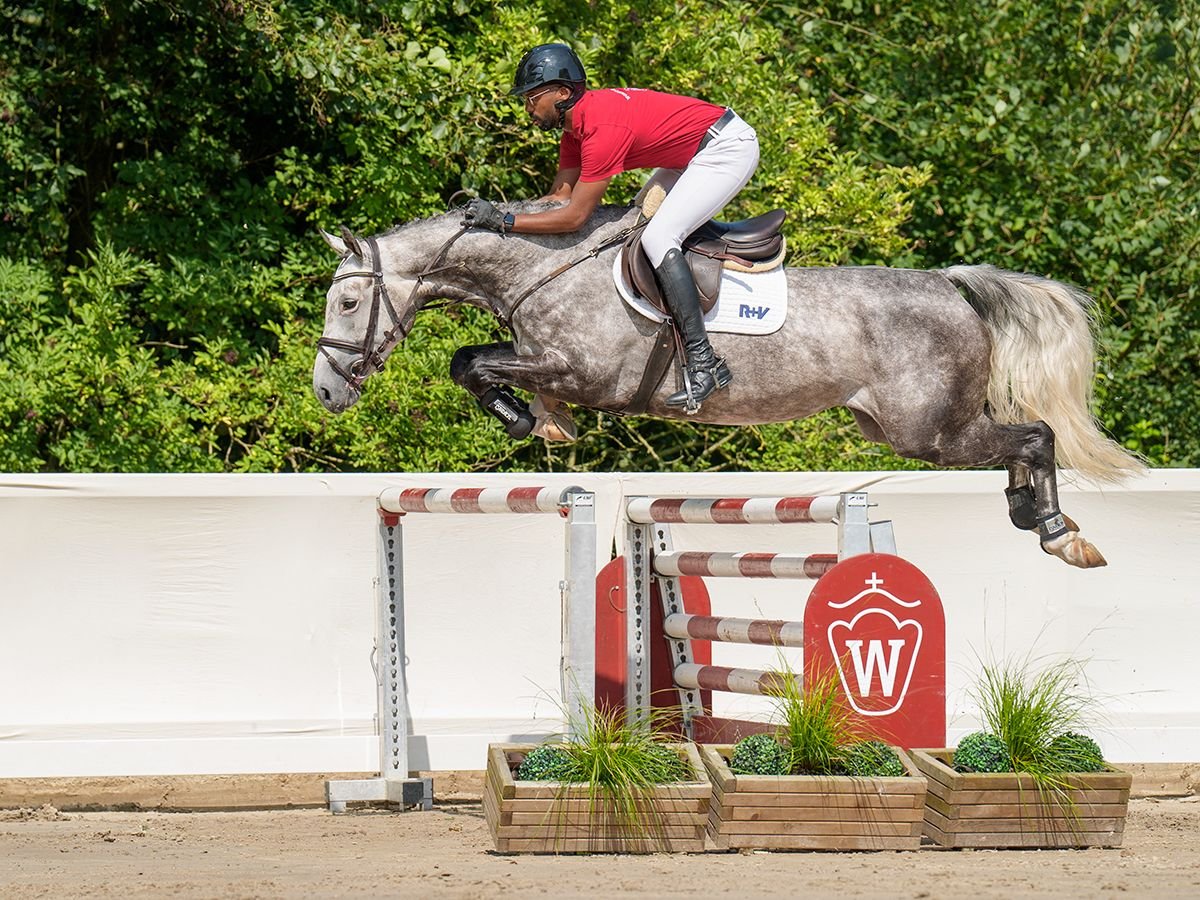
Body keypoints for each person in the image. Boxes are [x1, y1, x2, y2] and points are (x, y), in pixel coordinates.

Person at [463, 43, 760, 412]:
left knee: (658, 236)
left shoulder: (602, 130)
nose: (527, 108)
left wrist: (505, 222)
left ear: (562, 93)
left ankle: (704, 363)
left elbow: (574, 217)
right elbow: (558, 199)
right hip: (690, 154)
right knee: (636, 225)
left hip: (725, 148)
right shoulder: (574, 131)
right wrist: (499, 216)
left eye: (532, 97)